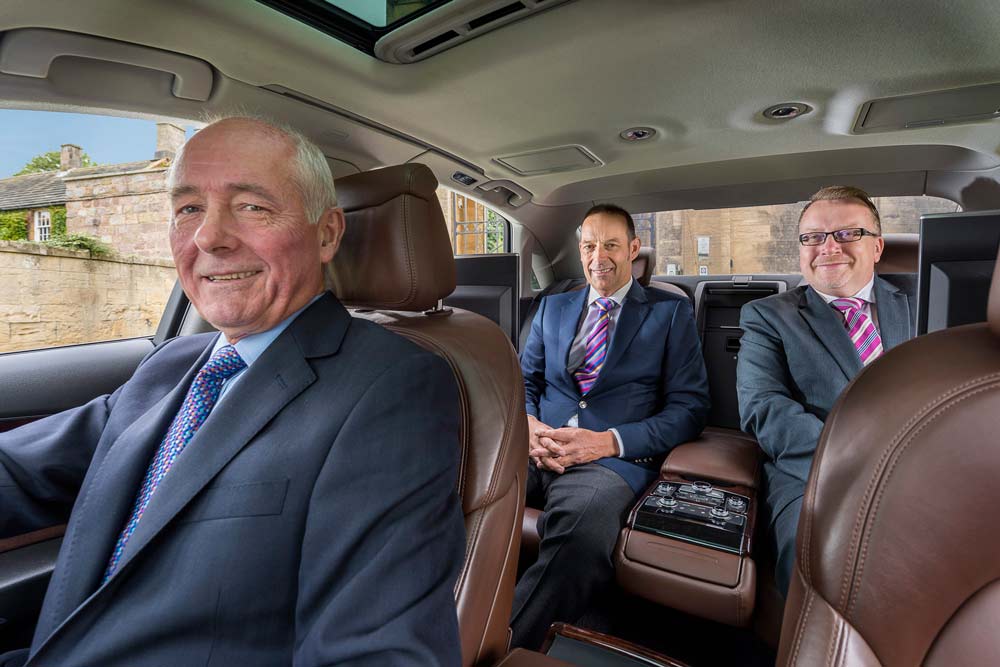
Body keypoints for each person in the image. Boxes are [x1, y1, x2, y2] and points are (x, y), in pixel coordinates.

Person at [0, 117, 465, 666]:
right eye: (188, 208)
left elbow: (378, 654)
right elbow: (20, 471)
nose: (208, 237)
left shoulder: (394, 389)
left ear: (327, 234)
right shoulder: (170, 366)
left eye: (252, 206)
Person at [513, 203, 710, 649]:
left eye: (611, 245)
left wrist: (605, 442)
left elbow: (691, 407)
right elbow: (525, 381)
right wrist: (527, 424)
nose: (597, 256)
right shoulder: (553, 307)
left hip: (607, 462)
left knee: (581, 533)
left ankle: (503, 646)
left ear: (634, 250)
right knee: (456, 487)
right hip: (536, 445)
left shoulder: (669, 313)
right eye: (588, 245)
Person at [737, 185, 916, 596]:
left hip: (926, 461)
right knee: (825, 560)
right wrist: (857, 467)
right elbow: (763, 407)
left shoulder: (923, 295)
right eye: (814, 237)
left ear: (877, 247)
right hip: (814, 472)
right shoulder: (767, 316)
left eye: (848, 234)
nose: (828, 247)